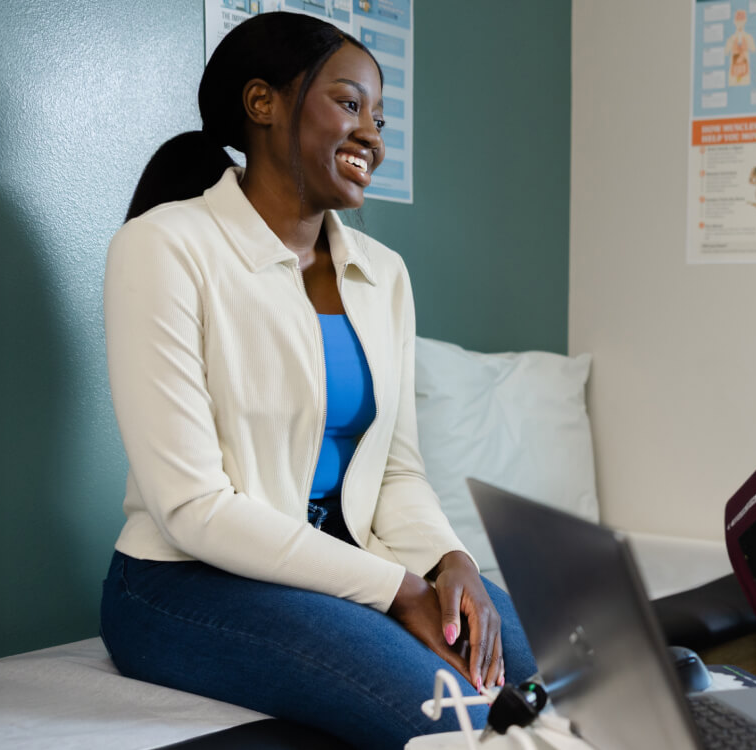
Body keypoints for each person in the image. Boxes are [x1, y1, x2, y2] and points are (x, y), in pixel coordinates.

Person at [98, 13, 535, 748]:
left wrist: (446, 560)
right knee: (461, 723)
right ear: (263, 103)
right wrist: (399, 590)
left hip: (350, 569)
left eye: (381, 116)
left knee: (538, 692)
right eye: (349, 103)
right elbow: (193, 507)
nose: (373, 133)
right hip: (185, 582)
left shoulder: (381, 273)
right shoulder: (164, 248)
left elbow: (395, 467)